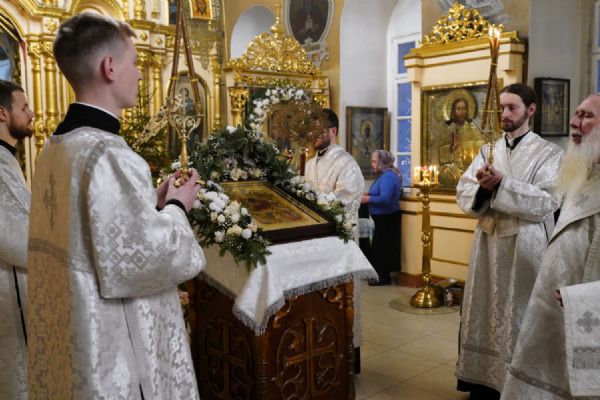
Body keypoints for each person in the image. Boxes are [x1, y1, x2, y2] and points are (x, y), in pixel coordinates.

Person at [27, 13, 205, 399]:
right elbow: (147, 259)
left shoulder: (54, 148)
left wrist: (148, 202)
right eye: (134, 62)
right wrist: (178, 207)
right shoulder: (108, 154)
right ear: (110, 67)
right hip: (115, 351)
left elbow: (93, 231)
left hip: (75, 335)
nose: (140, 74)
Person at [455, 83, 564, 399]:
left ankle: (518, 386)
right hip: (488, 245)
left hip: (525, 246)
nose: (504, 113)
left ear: (530, 110)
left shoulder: (549, 153)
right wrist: (484, 189)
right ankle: (482, 382)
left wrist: (504, 185)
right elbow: (464, 191)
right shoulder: (488, 150)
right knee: (485, 309)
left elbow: (549, 200)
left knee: (520, 312)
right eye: (501, 107)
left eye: (512, 107)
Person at [501, 94, 600, 399]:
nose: (573, 122)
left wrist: (583, 298)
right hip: (556, 306)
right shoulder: (583, 175)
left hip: (585, 310)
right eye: (576, 114)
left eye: (586, 116)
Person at [304, 107, 365, 370]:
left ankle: (347, 357)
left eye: (319, 130)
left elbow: (346, 202)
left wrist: (311, 203)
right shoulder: (309, 164)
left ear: (333, 131)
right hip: (315, 243)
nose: (313, 135)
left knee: (343, 298)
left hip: (339, 242)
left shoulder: (347, 163)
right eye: (311, 130)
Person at [0, 80, 34, 400]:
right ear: (2, 113)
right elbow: (19, 239)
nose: (31, 113)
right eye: (24, 108)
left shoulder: (7, 159)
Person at [361, 150, 402, 286]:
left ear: (381, 163)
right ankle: (379, 275)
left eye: (374, 161)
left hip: (387, 218)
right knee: (379, 247)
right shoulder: (384, 175)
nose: (372, 164)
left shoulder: (389, 176)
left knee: (384, 248)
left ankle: (383, 277)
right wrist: (367, 195)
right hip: (382, 218)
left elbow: (385, 199)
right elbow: (379, 193)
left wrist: (367, 199)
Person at [439, 97, 484, 186]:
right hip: (453, 167)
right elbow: (442, 150)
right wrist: (451, 147)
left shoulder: (472, 127)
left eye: (464, 109)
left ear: (467, 111)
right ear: (453, 111)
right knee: (446, 175)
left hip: (470, 166)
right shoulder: (448, 128)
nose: (461, 112)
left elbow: (480, 144)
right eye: (458, 109)